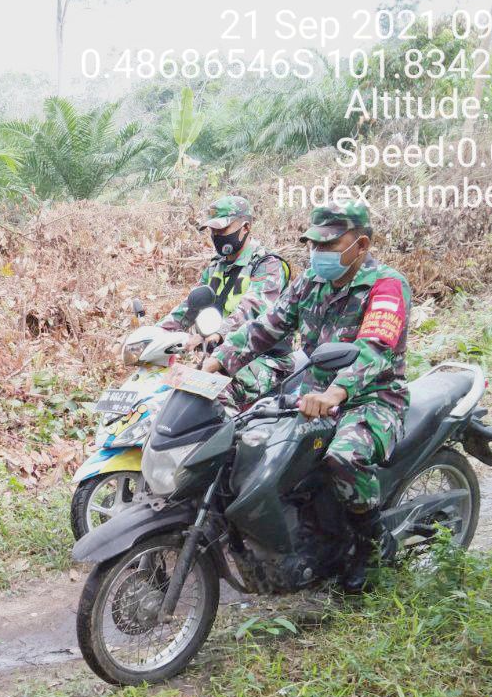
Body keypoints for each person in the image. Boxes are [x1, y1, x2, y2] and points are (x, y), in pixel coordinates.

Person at [201, 201, 411, 592]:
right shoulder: (310, 281)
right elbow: (267, 326)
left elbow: (375, 348)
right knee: (256, 444)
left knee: (344, 457)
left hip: (372, 398)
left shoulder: (386, 285)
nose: (318, 253)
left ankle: (372, 544)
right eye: (314, 244)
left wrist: (336, 391)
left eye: (329, 245)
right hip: (312, 396)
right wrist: (216, 363)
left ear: (361, 245)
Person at [161, 195, 294, 399]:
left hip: (265, 359)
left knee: (212, 397)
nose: (216, 236)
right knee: (168, 392)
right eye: (213, 231)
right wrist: (157, 333)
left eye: (222, 230)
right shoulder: (217, 266)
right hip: (222, 355)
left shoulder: (268, 265)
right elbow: (189, 306)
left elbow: (253, 308)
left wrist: (218, 332)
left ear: (246, 227)